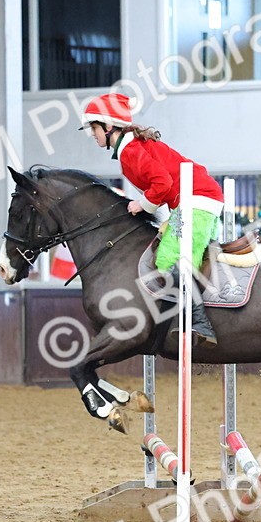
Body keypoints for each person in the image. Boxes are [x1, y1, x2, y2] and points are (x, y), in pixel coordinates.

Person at [80, 93, 223, 345]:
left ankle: (200, 322)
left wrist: (141, 204)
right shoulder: (131, 148)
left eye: (94, 127)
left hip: (196, 201)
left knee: (168, 258)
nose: (92, 133)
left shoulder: (130, 151)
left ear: (109, 126)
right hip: (194, 200)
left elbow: (163, 183)